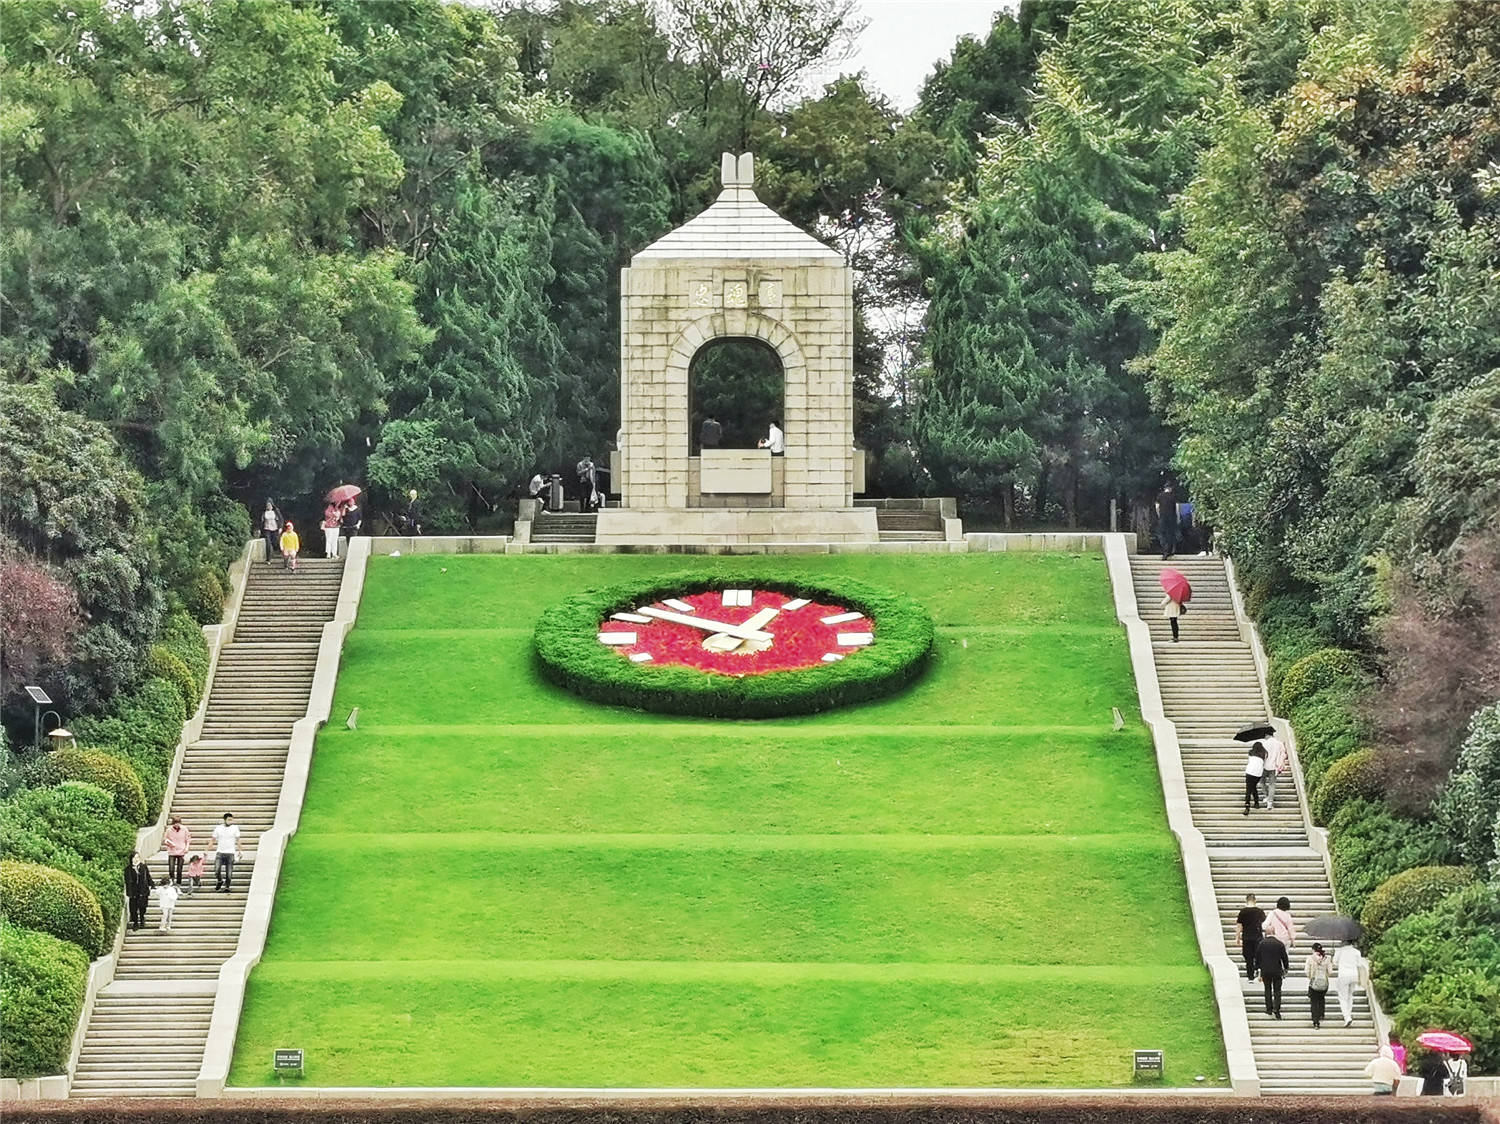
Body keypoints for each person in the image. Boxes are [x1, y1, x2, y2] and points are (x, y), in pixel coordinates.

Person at [1255, 929, 1289, 1018]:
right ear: (1274, 932)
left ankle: (1269, 1009)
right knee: (1277, 990)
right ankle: (1277, 1009)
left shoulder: (1262, 944)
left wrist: (1257, 968)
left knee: (1267, 989)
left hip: (1265, 971)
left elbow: (1257, 957)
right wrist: (1286, 968)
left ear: (1266, 934)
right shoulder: (1279, 944)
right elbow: (1284, 958)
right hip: (1277, 970)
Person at [1333, 941, 1363, 1026]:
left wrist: (1334, 954)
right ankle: (1349, 1014)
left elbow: (1334, 962)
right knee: (1350, 996)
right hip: (1354, 975)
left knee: (1342, 998)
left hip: (1343, 975)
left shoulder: (1340, 951)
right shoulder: (1356, 952)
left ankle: (1347, 1017)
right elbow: (1359, 964)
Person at [1236, 893, 1266, 981]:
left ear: (1246, 900)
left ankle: (1250, 976)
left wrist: (1237, 937)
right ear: (1255, 901)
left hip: (1247, 937)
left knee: (1248, 957)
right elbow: (1264, 924)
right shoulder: (1260, 911)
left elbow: (1239, 926)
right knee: (1258, 955)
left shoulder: (1242, 912)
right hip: (1258, 937)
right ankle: (1258, 969)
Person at [1303, 942, 1331, 1028]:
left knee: (1314, 1002)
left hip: (1314, 983)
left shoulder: (1310, 958)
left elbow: (1306, 971)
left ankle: (1316, 1021)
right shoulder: (1327, 958)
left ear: (1313, 949)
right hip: (1324, 983)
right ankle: (1321, 1014)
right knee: (1321, 998)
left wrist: (1311, 977)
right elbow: (1330, 972)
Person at [124, 852, 154, 931]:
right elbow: (127, 881)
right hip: (133, 891)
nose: (136, 859)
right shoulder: (128, 869)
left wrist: (152, 885)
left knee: (143, 907)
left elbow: (148, 876)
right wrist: (129, 892)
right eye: (134, 858)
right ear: (131, 859)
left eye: (137, 857)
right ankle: (135, 922)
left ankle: (142, 919)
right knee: (133, 909)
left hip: (143, 890)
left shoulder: (143, 867)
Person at [212, 812, 241, 892]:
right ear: (225, 820)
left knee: (229, 872)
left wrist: (240, 850)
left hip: (230, 852)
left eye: (232, 820)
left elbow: (238, 840)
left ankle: (227, 886)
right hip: (220, 852)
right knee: (217, 869)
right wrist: (207, 850)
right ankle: (220, 880)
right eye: (229, 820)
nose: (231, 821)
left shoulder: (235, 828)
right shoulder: (218, 828)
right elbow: (213, 840)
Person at [1260, 733, 1290, 810]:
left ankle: (1267, 796)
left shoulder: (1264, 743)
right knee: (1272, 784)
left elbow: (1262, 755)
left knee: (1262, 782)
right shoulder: (1279, 744)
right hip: (1274, 767)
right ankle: (1270, 802)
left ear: (1266, 735)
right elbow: (1282, 755)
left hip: (1264, 766)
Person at [163, 816, 190, 886]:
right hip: (172, 851)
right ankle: (172, 880)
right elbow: (165, 840)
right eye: (175, 823)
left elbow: (188, 840)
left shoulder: (184, 829)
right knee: (171, 868)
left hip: (181, 851)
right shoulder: (169, 830)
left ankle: (178, 883)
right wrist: (170, 844)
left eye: (178, 823)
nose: (176, 825)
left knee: (179, 869)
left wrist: (186, 848)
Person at [1156, 482, 1179, 559]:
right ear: (1170, 488)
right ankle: (1170, 550)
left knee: (1162, 533)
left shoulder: (1160, 496)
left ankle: (1165, 549)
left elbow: (1157, 507)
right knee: (1171, 534)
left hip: (1163, 517)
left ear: (1164, 488)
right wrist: (1178, 517)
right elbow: (1177, 507)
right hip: (1172, 517)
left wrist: (1159, 515)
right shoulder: (1173, 496)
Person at [1243, 742, 1267, 814]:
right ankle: (1256, 803)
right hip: (1258, 774)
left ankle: (1247, 807)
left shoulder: (1250, 752)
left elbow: (1250, 761)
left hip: (1250, 772)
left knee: (1248, 790)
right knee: (1253, 787)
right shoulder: (1264, 754)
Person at [259, 500, 282, 565]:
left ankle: (274, 552)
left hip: (275, 529)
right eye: (267, 505)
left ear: (272, 506)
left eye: (270, 505)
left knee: (275, 542)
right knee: (268, 543)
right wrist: (260, 529)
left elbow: (280, 519)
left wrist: (280, 527)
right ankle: (268, 559)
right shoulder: (264, 513)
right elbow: (261, 521)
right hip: (267, 529)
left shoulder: (276, 511)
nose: (268, 506)